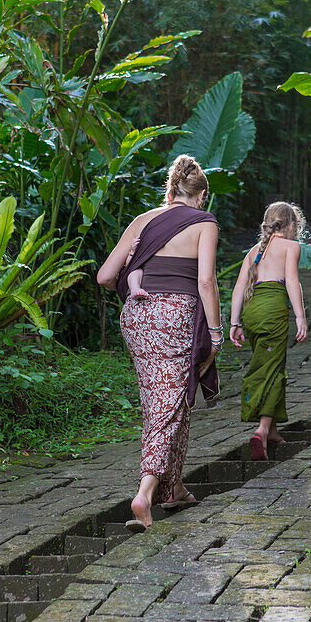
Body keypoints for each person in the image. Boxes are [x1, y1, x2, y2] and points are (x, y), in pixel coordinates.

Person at [97, 155, 222, 531]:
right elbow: (205, 283)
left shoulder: (143, 221)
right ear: (201, 197)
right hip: (175, 316)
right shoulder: (204, 223)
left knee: (164, 401)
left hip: (137, 317)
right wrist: (215, 334)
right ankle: (145, 493)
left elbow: (105, 276)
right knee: (169, 407)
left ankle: (175, 488)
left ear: (170, 192)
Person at [229, 201, 308, 461]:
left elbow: (240, 287)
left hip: (252, 313)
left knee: (269, 363)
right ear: (290, 226)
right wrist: (300, 316)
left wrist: (235, 322)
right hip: (273, 310)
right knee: (272, 369)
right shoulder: (291, 246)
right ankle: (261, 430)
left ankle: (272, 430)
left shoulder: (254, 251)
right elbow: (292, 282)